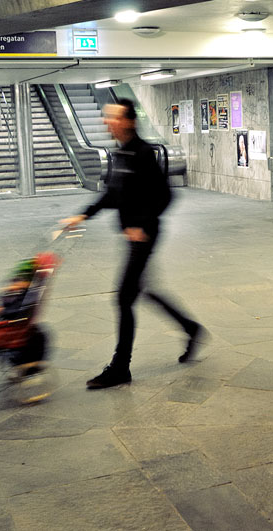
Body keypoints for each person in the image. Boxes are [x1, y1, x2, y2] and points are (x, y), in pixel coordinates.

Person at [61, 99, 203, 389]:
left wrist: (141, 223)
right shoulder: (121, 153)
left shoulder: (143, 153)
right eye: (106, 118)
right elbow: (114, 195)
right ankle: (191, 328)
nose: (106, 122)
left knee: (124, 297)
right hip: (134, 235)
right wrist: (83, 214)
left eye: (112, 118)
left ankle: (120, 367)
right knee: (143, 291)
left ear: (128, 121)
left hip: (145, 235)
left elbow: (165, 195)